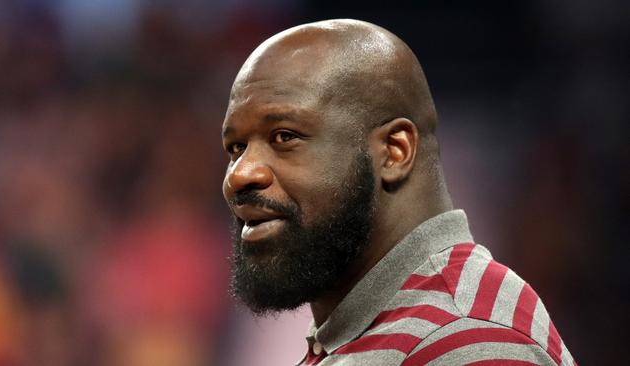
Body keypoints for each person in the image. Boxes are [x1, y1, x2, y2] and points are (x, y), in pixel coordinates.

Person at [221, 19, 576, 365]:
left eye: (285, 137)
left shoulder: (467, 341)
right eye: (236, 148)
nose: (239, 176)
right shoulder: (380, 331)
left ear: (395, 151)